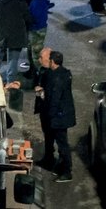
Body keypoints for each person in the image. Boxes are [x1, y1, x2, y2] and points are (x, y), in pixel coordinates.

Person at [37, 49, 75, 183]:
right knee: (52, 140)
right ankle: (53, 162)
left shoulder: (58, 77)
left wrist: (50, 115)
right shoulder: (61, 74)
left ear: (52, 61)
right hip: (58, 116)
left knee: (62, 144)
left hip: (59, 117)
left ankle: (67, 171)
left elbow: (55, 99)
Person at [26, 0, 53, 80]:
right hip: (37, 29)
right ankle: (35, 74)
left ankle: (43, 77)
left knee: (36, 56)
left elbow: (35, 18)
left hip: (36, 30)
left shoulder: (37, 1)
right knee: (32, 52)